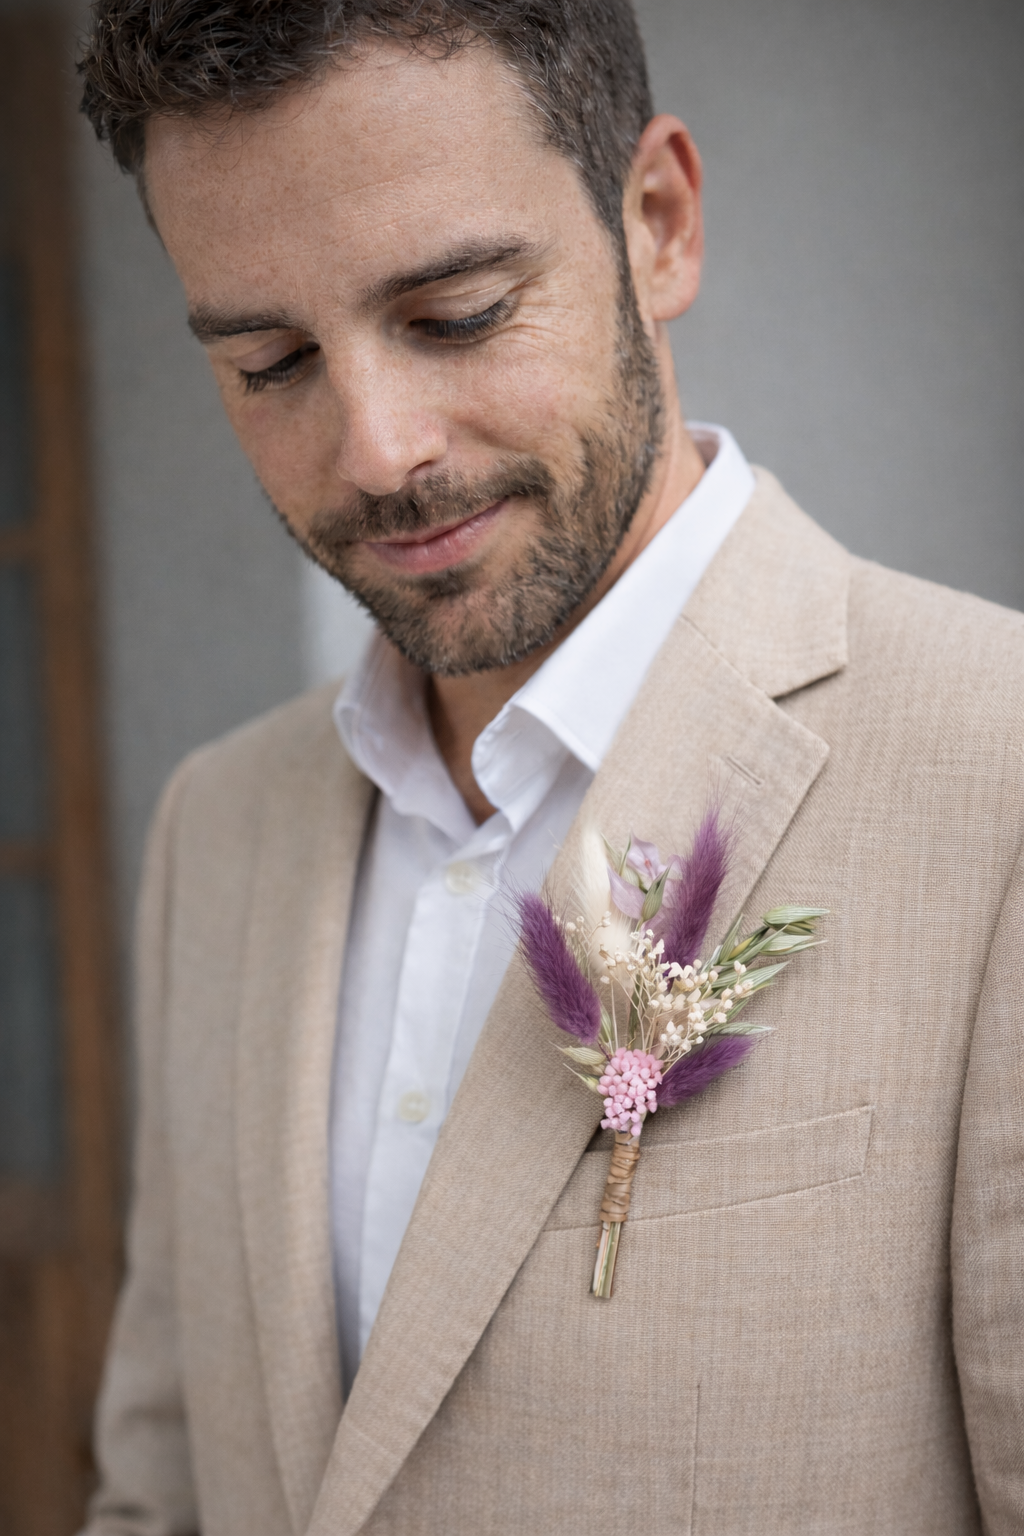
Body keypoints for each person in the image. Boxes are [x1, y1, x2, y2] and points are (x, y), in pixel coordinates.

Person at [78, 2, 1023, 1532]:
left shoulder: (1000, 771)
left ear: (656, 223)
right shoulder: (217, 830)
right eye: (268, 361)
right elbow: (160, 1486)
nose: (378, 446)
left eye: (453, 314)